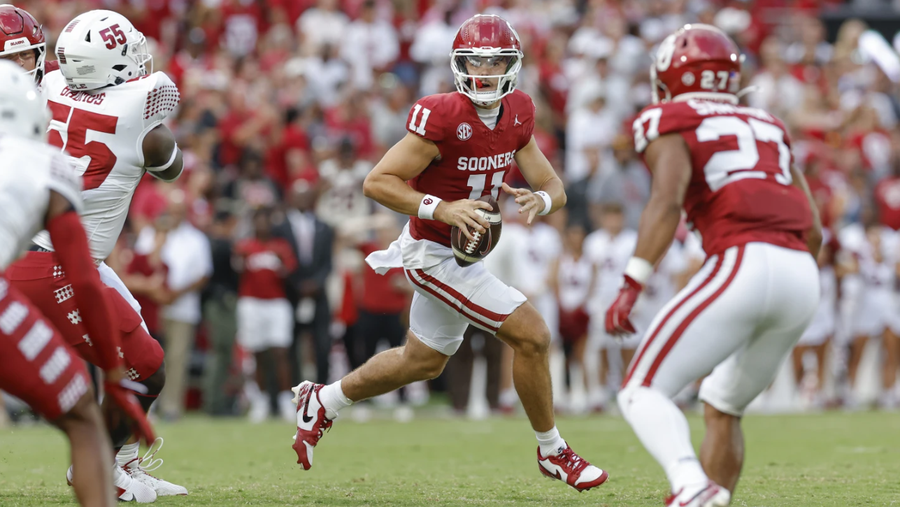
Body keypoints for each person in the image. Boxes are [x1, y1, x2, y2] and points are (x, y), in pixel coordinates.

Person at [291, 14, 608, 492]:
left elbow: (553, 184)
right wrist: (442, 208)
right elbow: (377, 181)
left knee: (422, 361)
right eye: (475, 60)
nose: (485, 70)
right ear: (459, 65)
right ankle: (552, 451)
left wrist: (539, 200)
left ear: (513, 64)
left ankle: (324, 400)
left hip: (465, 255)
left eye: (495, 60)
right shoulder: (442, 114)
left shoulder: (518, 111)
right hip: (431, 253)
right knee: (534, 336)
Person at [605, 25, 821, 506]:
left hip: (742, 257)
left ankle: (690, 484)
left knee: (640, 390)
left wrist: (632, 281)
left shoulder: (669, 116)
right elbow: (815, 232)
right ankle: (706, 497)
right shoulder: (767, 123)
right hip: (803, 273)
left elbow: (666, 201)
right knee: (723, 404)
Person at [6, 10, 187, 497]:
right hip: (53, 261)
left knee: (146, 356)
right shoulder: (144, 120)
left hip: (47, 252)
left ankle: (122, 461)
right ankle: (107, 467)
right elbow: (172, 168)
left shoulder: (43, 88)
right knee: (146, 369)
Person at [235, 207, 298, 423]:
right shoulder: (245, 247)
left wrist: (280, 263)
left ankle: (284, 401)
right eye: (258, 221)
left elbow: (290, 273)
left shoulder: (281, 247)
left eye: (265, 221)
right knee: (257, 353)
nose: (262, 225)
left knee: (281, 352)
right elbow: (236, 271)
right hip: (251, 303)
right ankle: (260, 401)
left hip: (276, 304)